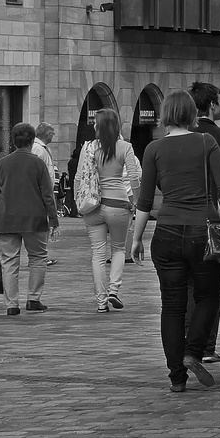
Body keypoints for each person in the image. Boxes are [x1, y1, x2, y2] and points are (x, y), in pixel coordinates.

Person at [129, 90, 220, 393]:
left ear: (165, 116)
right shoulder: (206, 142)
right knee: (208, 296)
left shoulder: (153, 149)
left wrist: (136, 240)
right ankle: (193, 351)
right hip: (203, 229)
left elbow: (145, 200)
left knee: (171, 305)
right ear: (191, 114)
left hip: (167, 233)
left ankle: (176, 375)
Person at [187, 81, 220, 362]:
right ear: (212, 105)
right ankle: (206, 346)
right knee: (214, 287)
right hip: (215, 221)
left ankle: (188, 341)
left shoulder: (181, 137)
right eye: (219, 101)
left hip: (184, 220)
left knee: (188, 287)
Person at [0, 122, 59, 316]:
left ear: (14, 140)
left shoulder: (2, 163)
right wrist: (53, 219)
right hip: (34, 218)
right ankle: (33, 299)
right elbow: (47, 194)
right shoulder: (38, 163)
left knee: (9, 261)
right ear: (31, 140)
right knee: (38, 258)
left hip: (5, 218)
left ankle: (11, 304)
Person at [81, 108, 141, 313]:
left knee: (97, 255)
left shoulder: (89, 148)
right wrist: (138, 202)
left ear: (98, 126)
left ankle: (100, 301)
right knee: (117, 249)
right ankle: (114, 290)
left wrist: (78, 203)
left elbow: (79, 177)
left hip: (93, 207)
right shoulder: (125, 147)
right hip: (118, 205)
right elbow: (134, 177)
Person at [31, 123, 60, 266]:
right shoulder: (37, 148)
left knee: (44, 224)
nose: (53, 136)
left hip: (44, 190)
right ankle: (39, 255)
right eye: (52, 133)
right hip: (40, 192)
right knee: (41, 225)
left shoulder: (41, 148)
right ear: (47, 133)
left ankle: (42, 254)